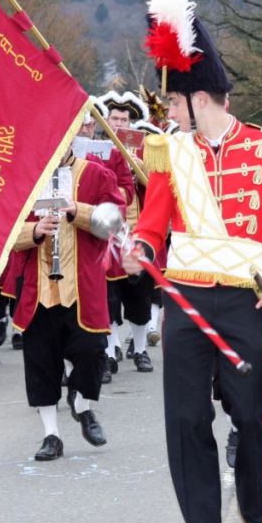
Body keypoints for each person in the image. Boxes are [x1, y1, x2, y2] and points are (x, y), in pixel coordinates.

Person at [124, 0, 262, 523]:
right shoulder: (171, 153)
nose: (167, 113)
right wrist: (139, 248)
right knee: (185, 419)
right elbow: (153, 223)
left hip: (248, 301)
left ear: (200, 98)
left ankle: (255, 511)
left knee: (250, 414)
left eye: (173, 103)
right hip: (185, 300)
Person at [11, 141, 123, 461]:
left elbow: (113, 223)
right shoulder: (22, 177)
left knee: (91, 352)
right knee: (41, 362)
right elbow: (2, 231)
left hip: (81, 287)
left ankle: (82, 405)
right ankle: (51, 436)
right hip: (38, 287)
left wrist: (78, 211)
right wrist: (34, 230)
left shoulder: (96, 174)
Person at [97, 91, 156, 375]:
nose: (119, 123)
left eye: (124, 119)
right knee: (108, 298)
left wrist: (136, 161)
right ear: (105, 121)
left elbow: (154, 181)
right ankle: (111, 349)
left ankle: (141, 349)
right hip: (104, 234)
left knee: (139, 296)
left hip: (136, 230)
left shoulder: (142, 148)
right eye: (114, 118)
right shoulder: (96, 149)